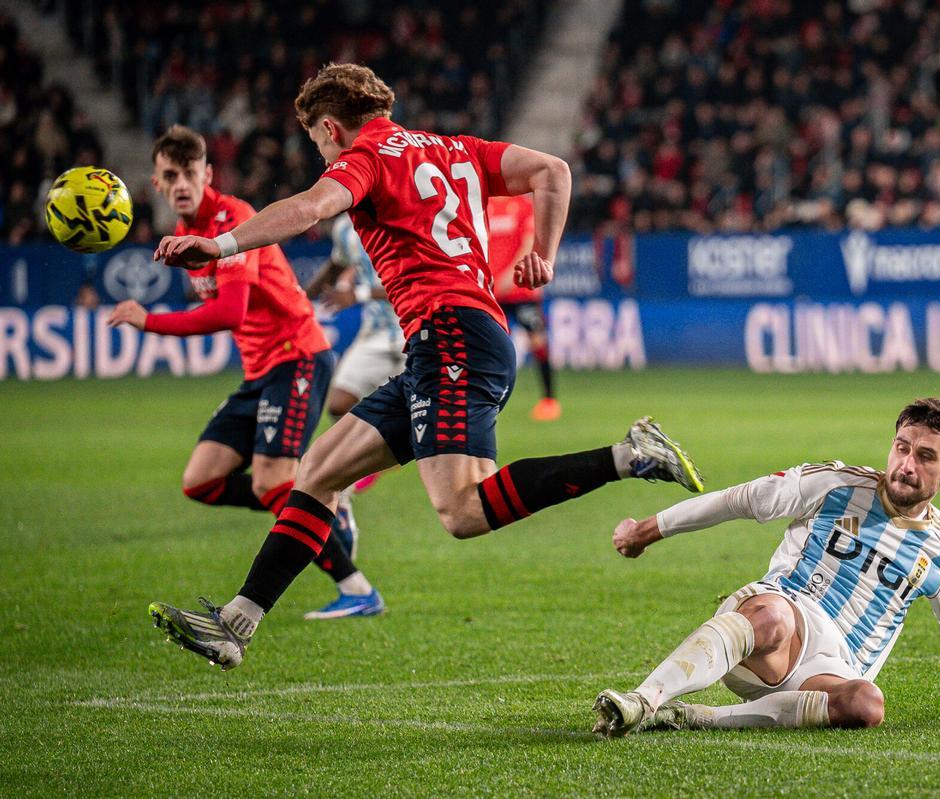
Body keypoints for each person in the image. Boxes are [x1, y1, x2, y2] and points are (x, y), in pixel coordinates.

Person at [146, 64, 703, 670]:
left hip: (451, 337)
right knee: (319, 469)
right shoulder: (452, 147)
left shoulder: (365, 156)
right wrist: (540, 254)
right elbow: (554, 171)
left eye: (317, 143)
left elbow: (310, 208)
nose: (322, 154)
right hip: (448, 340)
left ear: (330, 128)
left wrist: (222, 245)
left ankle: (630, 456)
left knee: (462, 512)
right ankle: (237, 622)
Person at [592, 398, 940, 738]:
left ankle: (695, 717)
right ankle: (644, 699)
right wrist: (647, 530)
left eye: (925, 457)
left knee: (866, 705)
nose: (906, 464)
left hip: (830, 673)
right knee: (773, 617)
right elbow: (741, 500)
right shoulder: (836, 484)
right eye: (902, 447)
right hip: (779, 624)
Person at [111, 125, 384, 622]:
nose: (181, 183)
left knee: (268, 483)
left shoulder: (232, 220)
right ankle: (322, 500)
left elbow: (230, 313)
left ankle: (357, 587)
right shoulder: (189, 231)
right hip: (261, 369)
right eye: (170, 175)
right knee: (201, 480)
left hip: (296, 355)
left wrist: (146, 320)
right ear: (156, 183)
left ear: (207, 174)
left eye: (190, 172)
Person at [304, 212, 407, 497]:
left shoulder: (400, 215)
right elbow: (336, 266)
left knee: (425, 417)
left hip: (413, 329)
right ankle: (373, 458)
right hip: (374, 334)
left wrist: (358, 294)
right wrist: (298, 298)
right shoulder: (345, 227)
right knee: (339, 403)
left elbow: (412, 279)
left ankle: (384, 456)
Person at [488, 193, 559, 421]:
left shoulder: (522, 206)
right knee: (490, 347)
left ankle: (549, 400)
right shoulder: (483, 204)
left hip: (521, 289)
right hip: (492, 290)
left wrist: (512, 274)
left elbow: (529, 243)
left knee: (537, 341)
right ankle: (488, 400)